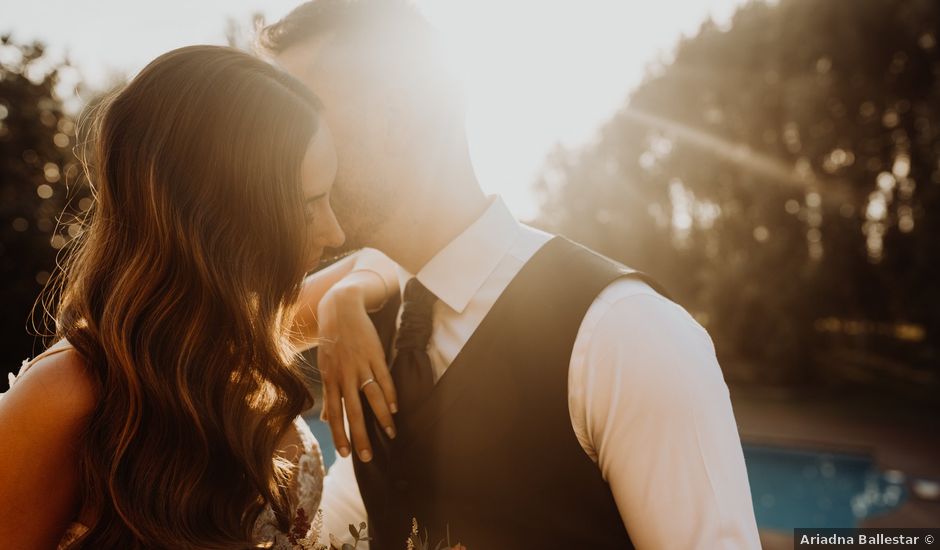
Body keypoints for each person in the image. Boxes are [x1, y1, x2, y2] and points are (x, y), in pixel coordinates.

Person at [262, 1, 763, 549]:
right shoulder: (370, 329)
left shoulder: (629, 337)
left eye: (302, 122)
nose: (280, 157)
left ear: (395, 119)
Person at [0, 45, 396, 549]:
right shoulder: (67, 394)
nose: (334, 232)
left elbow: (387, 263)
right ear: (222, 217)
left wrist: (345, 301)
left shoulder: (240, 338)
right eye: (308, 204)